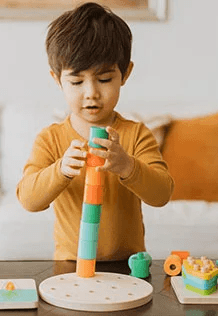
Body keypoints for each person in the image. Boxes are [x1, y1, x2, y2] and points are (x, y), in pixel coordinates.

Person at [16, 2, 174, 261]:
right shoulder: (51, 139)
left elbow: (162, 195)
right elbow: (29, 200)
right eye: (77, 82)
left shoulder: (136, 135)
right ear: (57, 80)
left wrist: (127, 166)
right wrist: (61, 170)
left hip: (129, 266)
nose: (91, 93)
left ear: (125, 74)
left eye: (104, 79)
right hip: (69, 265)